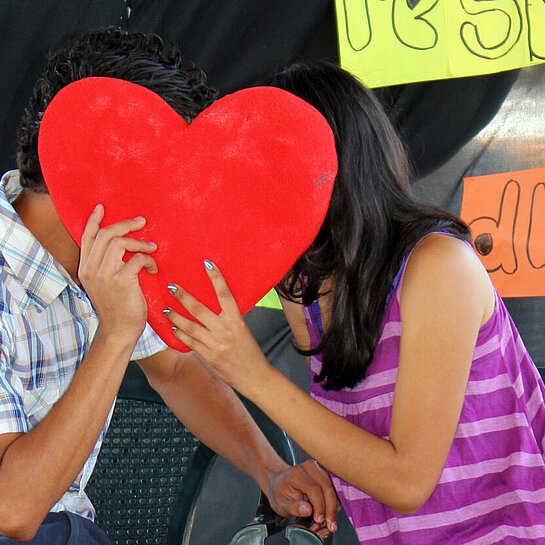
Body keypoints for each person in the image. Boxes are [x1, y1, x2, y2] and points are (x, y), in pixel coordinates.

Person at [164, 60, 545, 544]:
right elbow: (362, 436)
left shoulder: (439, 264)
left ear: (331, 168)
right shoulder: (305, 284)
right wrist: (317, 480)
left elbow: (407, 481)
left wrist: (251, 373)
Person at [0, 35, 338, 543]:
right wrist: (116, 334)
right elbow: (12, 512)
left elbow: (176, 369)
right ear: (105, 174)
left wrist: (269, 471)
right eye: (167, 184)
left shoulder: (107, 255)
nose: (180, 218)